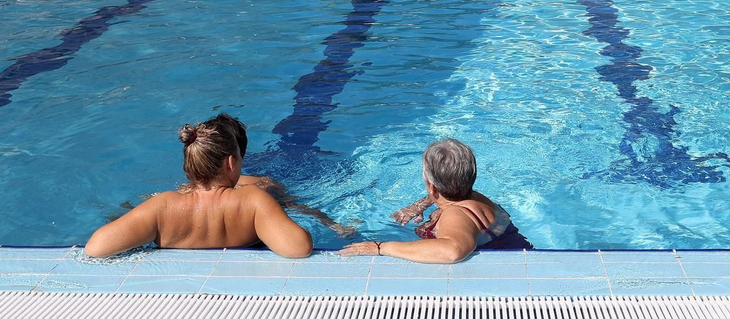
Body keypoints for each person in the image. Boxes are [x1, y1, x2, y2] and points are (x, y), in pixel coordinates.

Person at [85, 114, 313, 258]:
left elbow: (95, 248)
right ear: (231, 163)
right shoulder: (253, 201)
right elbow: (299, 248)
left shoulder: (163, 206)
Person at [340, 138, 529, 263]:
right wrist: (419, 206)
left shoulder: (456, 215)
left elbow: (453, 250)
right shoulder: (473, 196)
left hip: (508, 271)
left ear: (432, 187)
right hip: (523, 255)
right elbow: (448, 191)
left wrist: (382, 247)